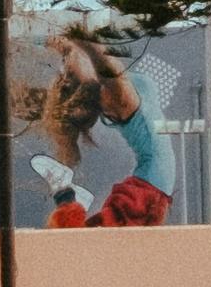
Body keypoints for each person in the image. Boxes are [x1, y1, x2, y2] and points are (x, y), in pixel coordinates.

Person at [13, 29, 180, 227]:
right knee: (87, 240)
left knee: (88, 238)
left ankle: (66, 193)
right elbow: (100, 59)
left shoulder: (113, 87)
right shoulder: (122, 99)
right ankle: (65, 192)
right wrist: (78, 39)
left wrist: (57, 43)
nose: (66, 65)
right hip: (148, 191)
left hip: (151, 188)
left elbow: (85, 61)